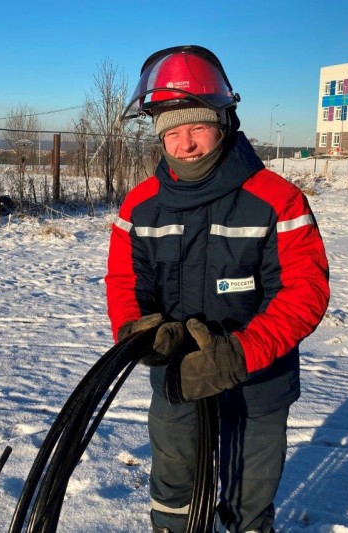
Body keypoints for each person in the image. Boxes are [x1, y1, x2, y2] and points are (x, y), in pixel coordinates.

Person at [105, 45, 330, 533]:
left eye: (197, 127)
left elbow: (304, 291)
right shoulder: (140, 206)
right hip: (179, 378)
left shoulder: (277, 199)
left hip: (258, 381)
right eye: (172, 131)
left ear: (224, 122)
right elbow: (126, 281)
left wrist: (238, 355)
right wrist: (136, 327)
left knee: (248, 504)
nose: (185, 143)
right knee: (174, 492)